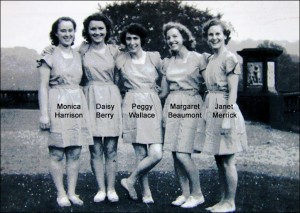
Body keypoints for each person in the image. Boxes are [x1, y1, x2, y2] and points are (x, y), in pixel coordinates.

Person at [38, 17, 93, 207]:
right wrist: (44, 114)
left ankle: (72, 192)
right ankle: (60, 193)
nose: (67, 34)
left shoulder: (80, 54)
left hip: (77, 103)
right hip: (57, 104)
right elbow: (43, 87)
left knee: (75, 152)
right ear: (56, 33)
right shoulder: (49, 55)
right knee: (57, 152)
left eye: (71, 31)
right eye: (63, 31)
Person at [194, 19, 248, 212]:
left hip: (225, 109)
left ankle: (230, 202)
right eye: (210, 34)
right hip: (211, 107)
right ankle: (223, 200)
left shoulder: (230, 58)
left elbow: (233, 92)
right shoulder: (209, 59)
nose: (214, 37)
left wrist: (226, 118)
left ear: (225, 36)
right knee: (219, 159)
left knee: (228, 161)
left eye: (218, 34)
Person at [116, 23, 166, 204]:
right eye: (128, 38)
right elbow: (93, 48)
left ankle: (130, 180)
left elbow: (167, 75)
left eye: (135, 38)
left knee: (156, 153)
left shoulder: (154, 57)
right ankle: (146, 193)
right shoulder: (120, 58)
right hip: (132, 103)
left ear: (141, 39)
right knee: (140, 153)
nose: (131, 42)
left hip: (152, 104)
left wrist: (161, 93)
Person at [161, 22, 206, 208]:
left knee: (183, 153)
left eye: (175, 36)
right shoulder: (167, 62)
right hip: (172, 104)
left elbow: (210, 83)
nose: (172, 40)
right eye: (169, 37)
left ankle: (197, 194)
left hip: (191, 104)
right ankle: (185, 193)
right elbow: (162, 92)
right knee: (174, 152)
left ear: (184, 37)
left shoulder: (199, 59)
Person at [80, 13, 122, 203]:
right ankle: (101, 189)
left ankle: (112, 189)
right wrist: (49, 49)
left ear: (106, 30)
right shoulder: (82, 50)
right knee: (95, 148)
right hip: (90, 97)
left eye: (100, 28)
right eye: (93, 29)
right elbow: (62, 54)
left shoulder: (115, 51)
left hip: (111, 97)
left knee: (111, 148)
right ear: (87, 31)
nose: (97, 32)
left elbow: (134, 62)